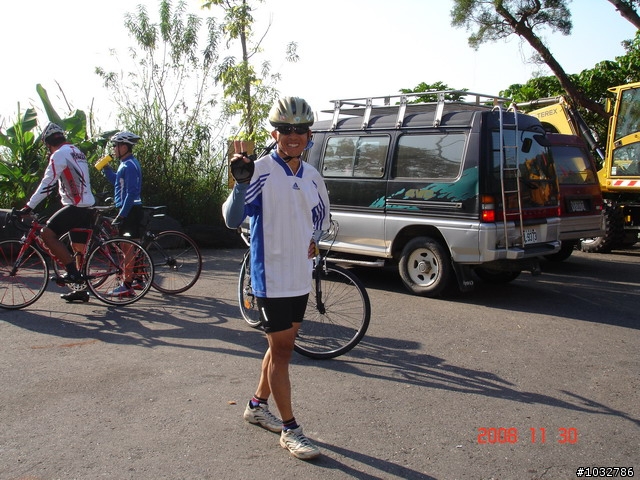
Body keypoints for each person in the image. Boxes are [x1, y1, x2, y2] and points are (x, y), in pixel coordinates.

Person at [222, 96, 331, 460]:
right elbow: (232, 219)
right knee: (282, 352)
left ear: (309, 135)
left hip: (299, 275)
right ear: (275, 134)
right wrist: (240, 183)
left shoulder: (313, 176)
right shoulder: (261, 169)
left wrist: (314, 239)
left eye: (300, 129)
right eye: (285, 129)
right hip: (270, 276)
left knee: (280, 347)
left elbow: (320, 218)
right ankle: (291, 429)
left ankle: (256, 406)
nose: (293, 135)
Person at [18, 122, 96, 303]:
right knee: (78, 250)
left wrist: (29, 206)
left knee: (47, 233)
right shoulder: (77, 151)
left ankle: (72, 272)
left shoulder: (59, 154)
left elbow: (47, 184)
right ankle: (80, 290)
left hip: (75, 206)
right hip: (86, 206)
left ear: (48, 143)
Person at [100, 131, 144, 297]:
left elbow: (131, 193)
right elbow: (117, 183)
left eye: (115, 145)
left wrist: (122, 215)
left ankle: (127, 285)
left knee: (127, 249)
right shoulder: (125, 163)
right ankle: (138, 279)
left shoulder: (129, 165)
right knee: (132, 247)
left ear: (124, 147)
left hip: (130, 210)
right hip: (129, 209)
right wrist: (106, 169)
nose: (113, 149)